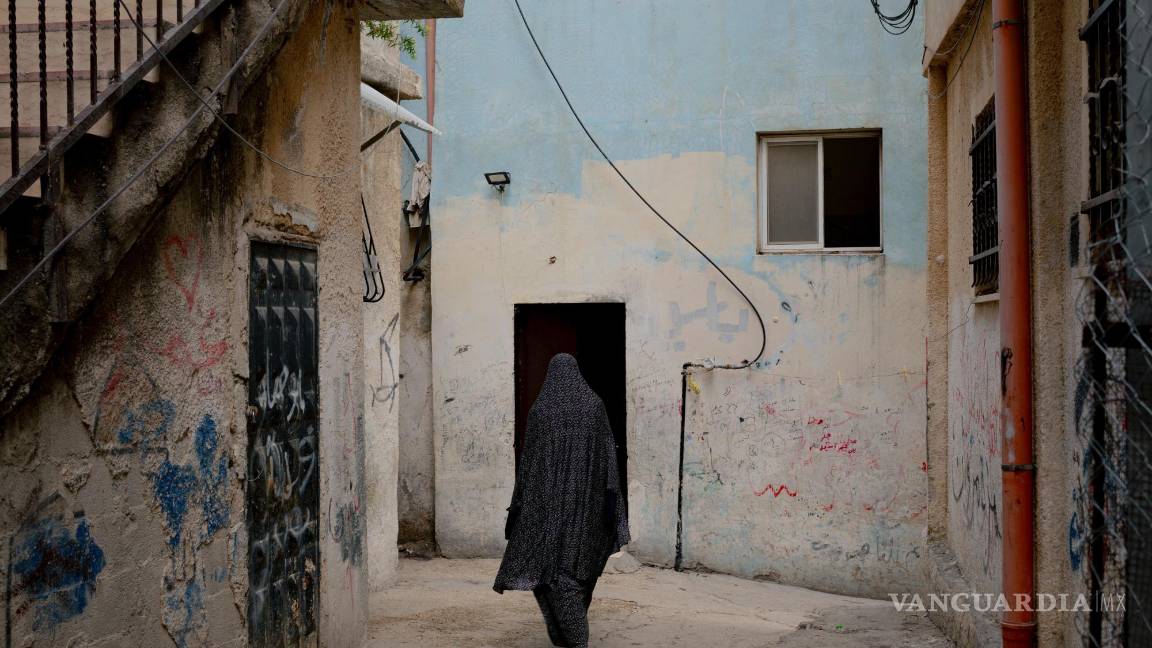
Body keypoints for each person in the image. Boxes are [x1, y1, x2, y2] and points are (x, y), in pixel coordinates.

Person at [493, 353, 630, 648]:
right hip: (589, 509)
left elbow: (527, 464)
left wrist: (518, 505)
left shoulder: (540, 411)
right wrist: (612, 501)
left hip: (548, 510)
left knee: (548, 570)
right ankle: (566, 632)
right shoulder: (594, 406)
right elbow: (609, 455)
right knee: (578, 571)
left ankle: (570, 635)